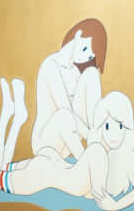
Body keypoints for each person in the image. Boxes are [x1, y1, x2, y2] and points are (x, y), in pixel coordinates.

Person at [0, 78, 134, 211]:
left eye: (120, 126)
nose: (114, 134)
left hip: (49, 164)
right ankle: (6, 115)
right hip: (41, 174)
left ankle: (16, 119)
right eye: (107, 126)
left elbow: (97, 189)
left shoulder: (100, 154)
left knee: (1, 168)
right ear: (100, 126)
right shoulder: (97, 152)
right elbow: (108, 204)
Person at [30, 18, 108, 160]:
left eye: (89, 56)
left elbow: (83, 109)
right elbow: (65, 109)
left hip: (68, 140)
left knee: (92, 74)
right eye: (84, 49)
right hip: (45, 143)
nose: (84, 58)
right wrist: (89, 135)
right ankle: (86, 161)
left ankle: (97, 145)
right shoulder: (50, 66)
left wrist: (95, 133)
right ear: (77, 36)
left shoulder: (76, 71)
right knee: (64, 115)